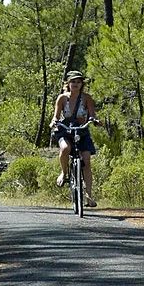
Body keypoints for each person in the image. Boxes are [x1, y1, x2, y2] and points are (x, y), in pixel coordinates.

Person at [50, 70, 102, 207]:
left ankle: (89, 197)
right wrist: (54, 121)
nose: (76, 84)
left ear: (81, 84)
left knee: (86, 160)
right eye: (73, 81)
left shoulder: (87, 98)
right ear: (68, 83)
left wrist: (95, 120)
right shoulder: (62, 98)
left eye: (78, 82)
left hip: (81, 130)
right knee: (65, 148)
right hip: (65, 130)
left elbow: (92, 114)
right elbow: (56, 116)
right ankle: (63, 172)